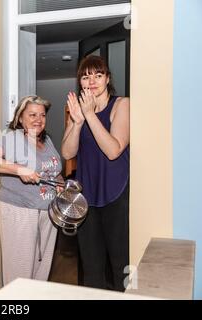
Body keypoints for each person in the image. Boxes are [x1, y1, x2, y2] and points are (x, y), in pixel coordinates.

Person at [61, 55, 130, 291]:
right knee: (91, 268)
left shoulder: (122, 105)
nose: (92, 81)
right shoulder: (76, 111)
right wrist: (78, 121)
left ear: (107, 78)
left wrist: (90, 115)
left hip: (116, 194)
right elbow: (68, 152)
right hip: (86, 198)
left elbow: (113, 150)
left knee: (121, 265)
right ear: (80, 81)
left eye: (98, 75)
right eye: (86, 76)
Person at [0, 95, 64, 286]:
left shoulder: (47, 140)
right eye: (32, 114)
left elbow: (51, 171)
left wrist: (59, 182)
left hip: (48, 213)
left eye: (42, 115)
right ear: (20, 118)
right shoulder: (13, 139)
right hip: (21, 211)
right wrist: (19, 169)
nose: (38, 119)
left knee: (41, 272)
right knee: (19, 274)